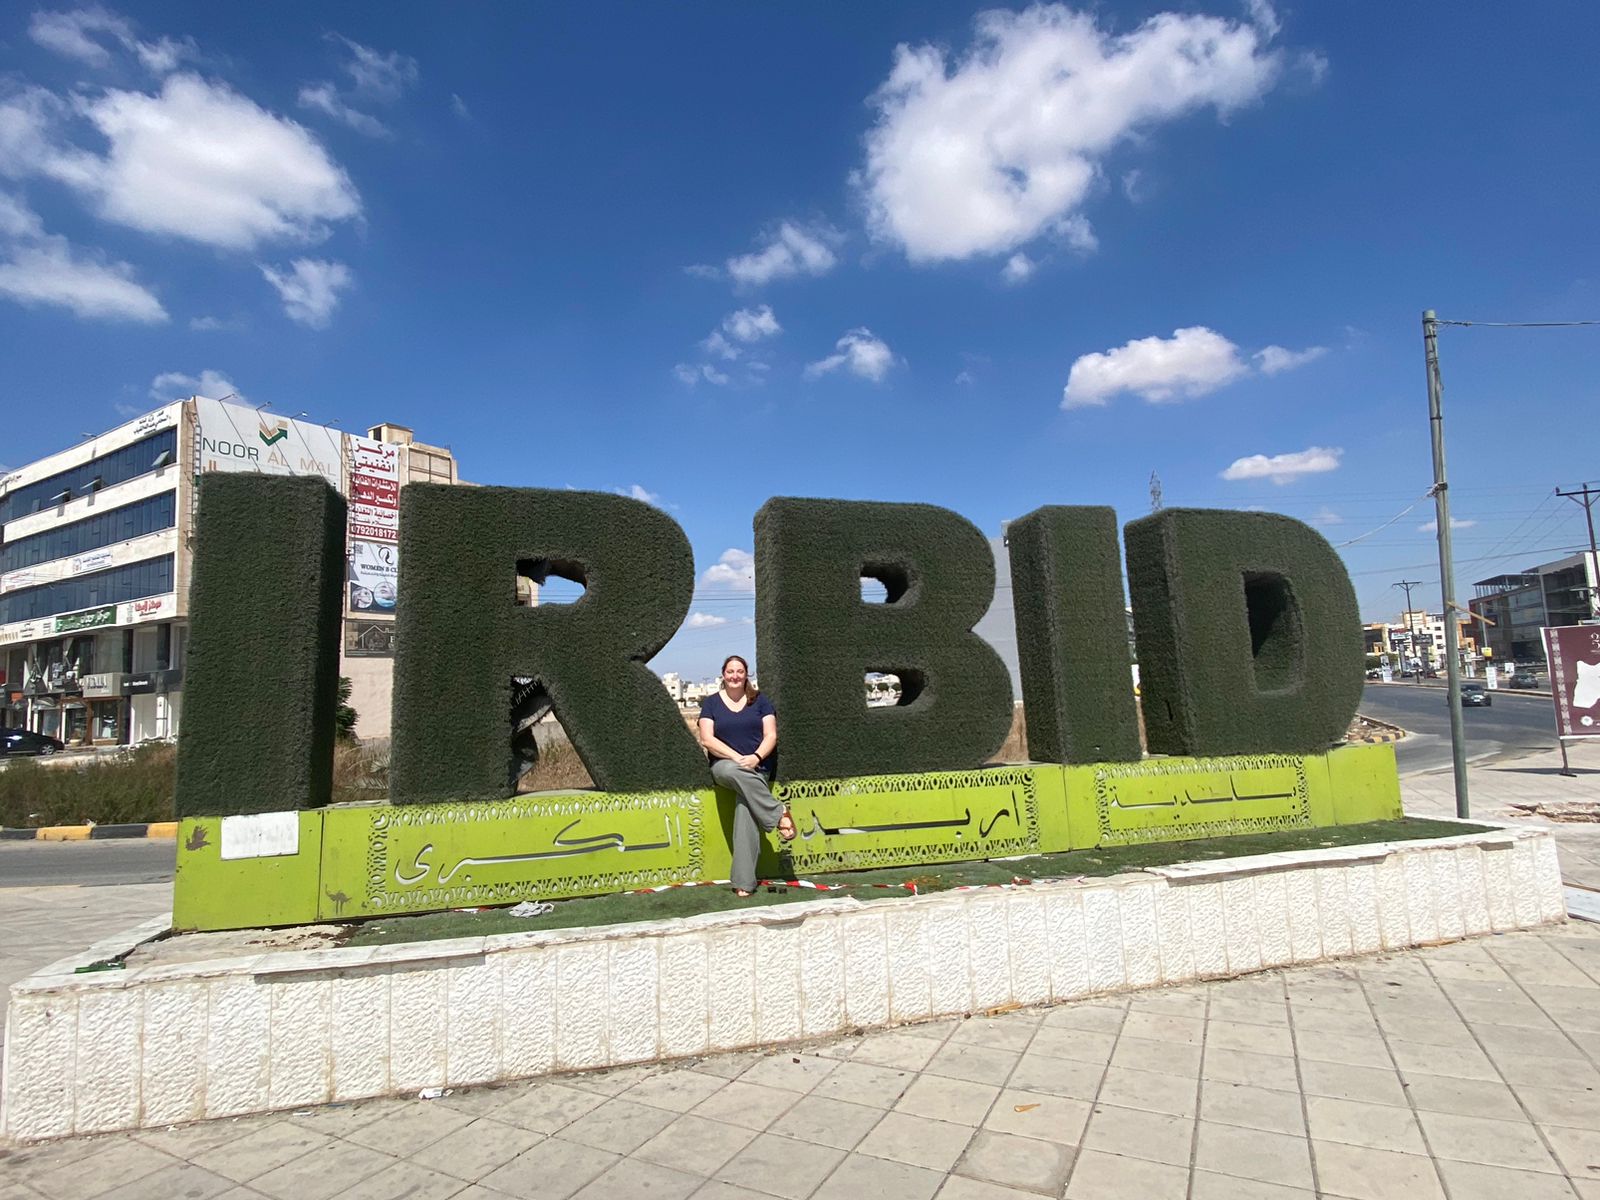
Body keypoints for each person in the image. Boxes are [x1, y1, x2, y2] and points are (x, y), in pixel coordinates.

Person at [699, 654, 795, 896]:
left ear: (746, 674)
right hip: (725, 767)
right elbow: (707, 739)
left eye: (739, 671)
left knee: (746, 810)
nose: (734, 675)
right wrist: (737, 758)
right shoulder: (711, 703)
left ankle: (744, 882)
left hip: (757, 767)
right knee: (736, 772)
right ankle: (778, 811)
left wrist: (756, 758)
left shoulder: (760, 701)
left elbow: (771, 735)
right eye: (730, 671)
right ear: (723, 674)